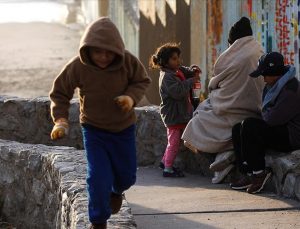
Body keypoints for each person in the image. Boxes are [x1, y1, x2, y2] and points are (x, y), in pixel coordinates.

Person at [49, 17, 151, 229]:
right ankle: (98, 221)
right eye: (97, 51)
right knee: (97, 178)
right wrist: (60, 120)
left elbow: (142, 80)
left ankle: (116, 191)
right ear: (88, 49)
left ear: (116, 49)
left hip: (123, 129)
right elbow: (60, 93)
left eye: (108, 52)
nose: (103, 57)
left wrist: (131, 98)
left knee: (127, 177)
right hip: (94, 130)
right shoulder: (78, 66)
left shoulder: (128, 62)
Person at [182, 17, 265, 184]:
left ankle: (223, 155)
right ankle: (225, 155)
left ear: (233, 40)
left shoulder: (228, 57)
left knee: (194, 125)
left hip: (229, 112)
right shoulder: (260, 51)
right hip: (255, 112)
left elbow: (214, 84)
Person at [230, 52, 300, 194]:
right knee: (238, 128)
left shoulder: (291, 89)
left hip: (292, 137)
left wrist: (264, 113)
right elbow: (267, 114)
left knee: (250, 125)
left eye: (264, 75)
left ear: (274, 73)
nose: (263, 79)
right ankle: (248, 173)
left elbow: (271, 118)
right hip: (280, 128)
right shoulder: (274, 87)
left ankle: (259, 173)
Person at [149, 42, 201, 177]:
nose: (178, 61)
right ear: (165, 62)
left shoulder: (175, 70)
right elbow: (177, 91)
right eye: (174, 58)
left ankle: (164, 162)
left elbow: (185, 71)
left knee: (173, 141)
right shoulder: (167, 77)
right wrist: (191, 81)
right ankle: (168, 168)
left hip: (179, 113)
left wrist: (192, 71)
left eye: (178, 57)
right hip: (174, 115)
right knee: (174, 143)